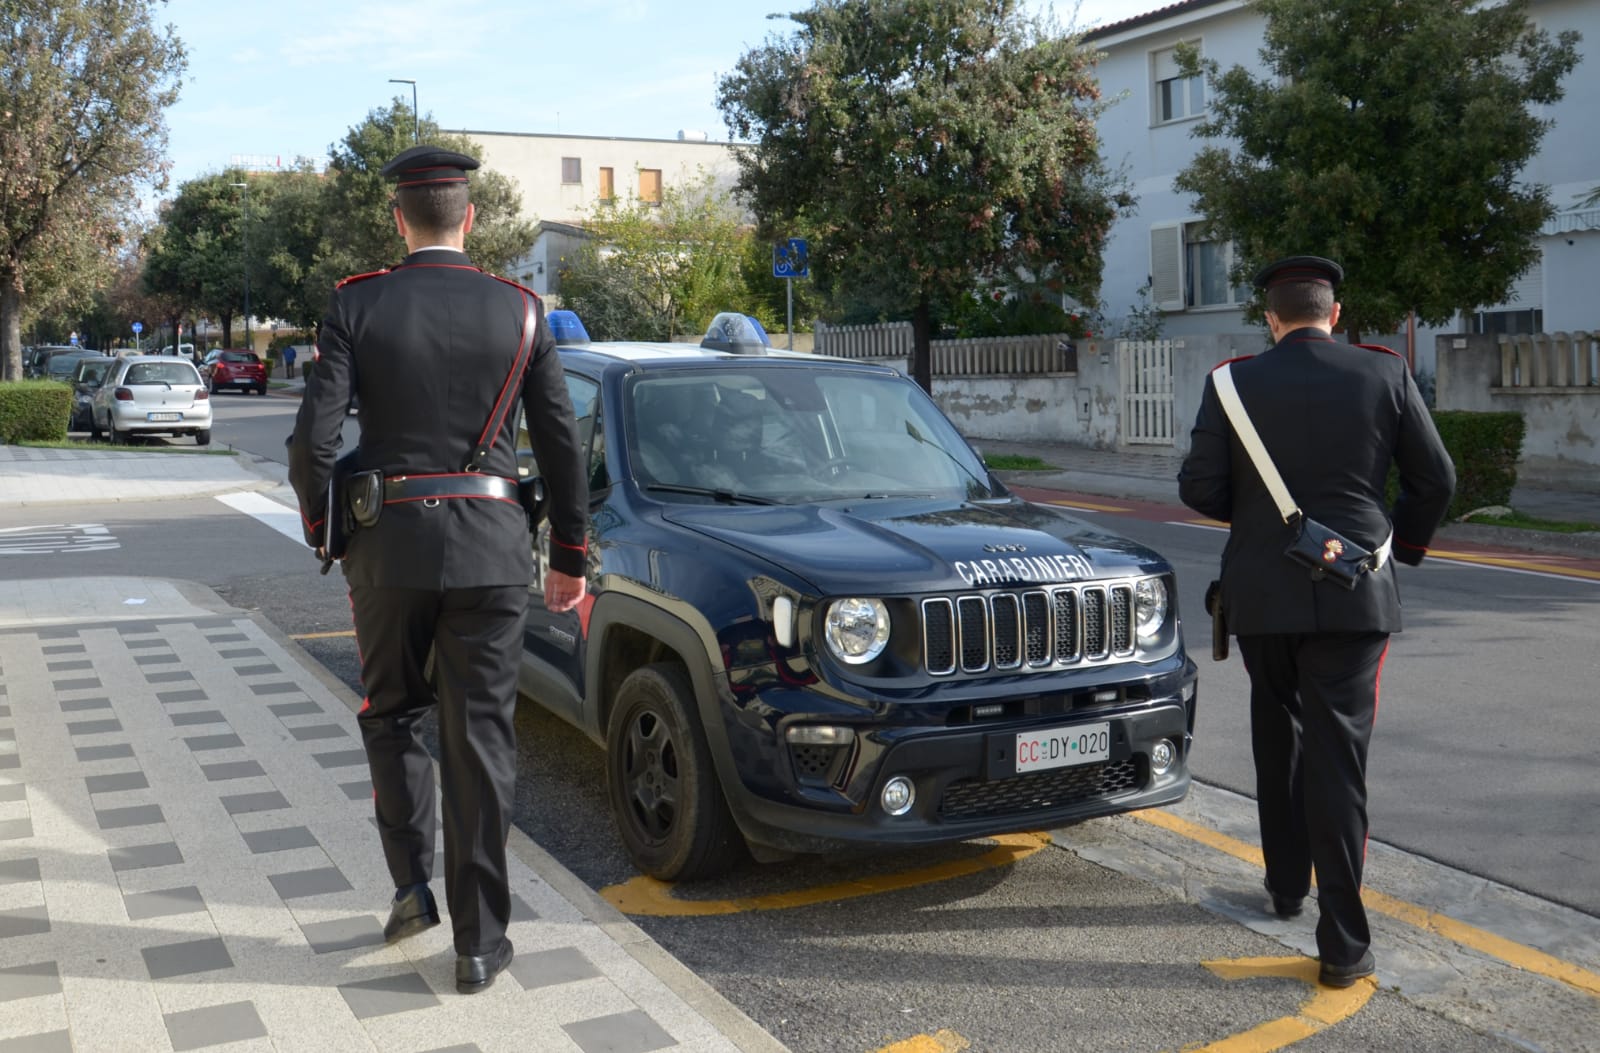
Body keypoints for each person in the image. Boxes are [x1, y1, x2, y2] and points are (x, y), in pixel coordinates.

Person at [287, 144, 589, 995]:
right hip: (494, 551)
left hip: (388, 550)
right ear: (471, 217)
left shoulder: (357, 303)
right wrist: (569, 556)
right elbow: (561, 444)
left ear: (399, 219)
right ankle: (481, 944)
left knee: (392, 715)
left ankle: (411, 887)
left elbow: (312, 442)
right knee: (482, 740)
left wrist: (328, 532)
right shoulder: (522, 310)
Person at [1177, 255, 1455, 989]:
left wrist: (1267, 523)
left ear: (1270, 319)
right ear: (1336, 312)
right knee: (1340, 760)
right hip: (1357, 591)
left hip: (1262, 595)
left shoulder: (1231, 382)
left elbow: (1198, 486)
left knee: (1280, 737)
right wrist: (1408, 546)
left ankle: (1284, 887)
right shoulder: (1385, 372)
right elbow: (1438, 479)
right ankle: (1343, 943)